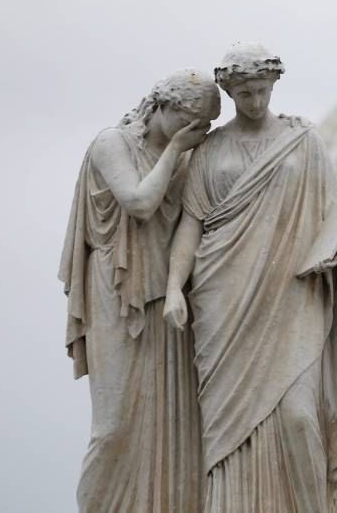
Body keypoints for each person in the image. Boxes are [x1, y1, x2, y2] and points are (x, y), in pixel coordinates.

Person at [164, 42, 337, 512]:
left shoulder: (303, 142)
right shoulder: (211, 150)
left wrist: (335, 248)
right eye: (245, 93)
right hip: (223, 298)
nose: (256, 101)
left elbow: (333, 215)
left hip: (293, 293)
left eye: (262, 90)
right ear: (230, 92)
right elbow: (191, 224)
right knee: (225, 428)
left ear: (274, 86)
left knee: (300, 416)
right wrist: (172, 291)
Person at [59, 69, 220, 512]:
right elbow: (140, 203)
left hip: (169, 296)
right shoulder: (113, 143)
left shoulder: (188, 155)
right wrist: (175, 150)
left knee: (174, 425)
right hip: (116, 286)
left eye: (206, 125)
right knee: (113, 427)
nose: (198, 132)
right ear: (165, 106)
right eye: (192, 120)